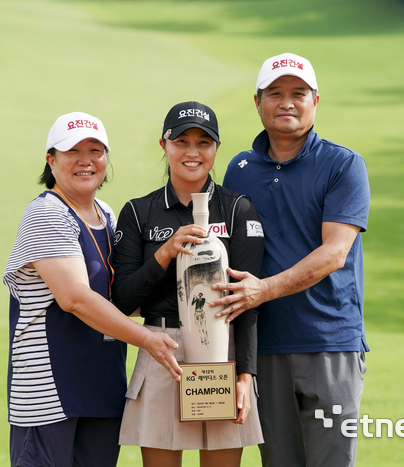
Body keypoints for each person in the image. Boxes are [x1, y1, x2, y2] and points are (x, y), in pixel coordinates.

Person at [210, 53, 371, 467]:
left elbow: (335, 253)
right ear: (257, 101)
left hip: (329, 342)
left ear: (315, 101)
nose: (287, 102)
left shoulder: (344, 165)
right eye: (275, 93)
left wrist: (262, 290)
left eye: (298, 93)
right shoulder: (240, 169)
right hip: (265, 346)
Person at [3, 112, 182, 467]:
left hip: (101, 389)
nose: (86, 161)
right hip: (50, 399)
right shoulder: (46, 214)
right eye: (73, 151)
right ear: (51, 161)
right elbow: (75, 299)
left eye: (96, 150)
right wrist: (146, 339)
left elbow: (122, 297)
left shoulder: (107, 214)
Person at [112, 101, 265, 467]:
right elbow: (122, 301)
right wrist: (165, 253)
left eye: (203, 142)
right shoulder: (138, 212)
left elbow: (248, 302)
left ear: (216, 149)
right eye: (181, 141)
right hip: (161, 350)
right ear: (163, 145)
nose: (192, 152)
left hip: (221, 353)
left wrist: (246, 375)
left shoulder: (237, 208)